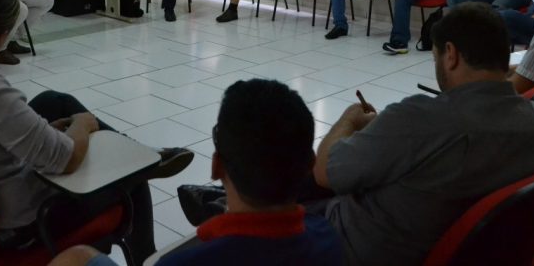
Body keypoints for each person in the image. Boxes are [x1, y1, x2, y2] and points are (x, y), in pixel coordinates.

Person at [0, 0, 193, 264]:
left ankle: (145, 155)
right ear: (1, 38)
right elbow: (66, 159)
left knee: (53, 100)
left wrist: (41, 131)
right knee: (129, 175)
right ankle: (146, 254)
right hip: (21, 221)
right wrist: (82, 125)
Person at [313, 2, 534, 265]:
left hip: (353, 245)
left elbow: (324, 172)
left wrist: (350, 119)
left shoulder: (416, 120)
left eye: (435, 57)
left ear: (450, 54)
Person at [52, 79, 342, 266]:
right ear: (309, 164)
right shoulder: (328, 238)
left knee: (77, 258)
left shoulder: (186, 262)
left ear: (216, 167)